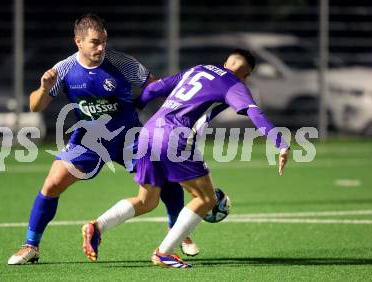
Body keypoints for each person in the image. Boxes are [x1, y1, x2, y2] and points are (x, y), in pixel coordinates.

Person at [7, 14, 199, 265]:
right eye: (95, 42)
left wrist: (170, 115)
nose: (101, 48)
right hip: (90, 139)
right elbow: (35, 106)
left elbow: (155, 86)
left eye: (103, 42)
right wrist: (44, 88)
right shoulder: (64, 69)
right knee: (52, 183)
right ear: (78, 41)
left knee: (165, 177)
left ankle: (178, 233)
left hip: (129, 136)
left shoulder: (121, 63)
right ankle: (31, 245)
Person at [81, 48, 290, 268]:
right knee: (207, 199)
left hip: (148, 132)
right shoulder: (234, 84)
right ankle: (164, 253)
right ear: (246, 75)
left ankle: (97, 226)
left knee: (146, 200)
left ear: (225, 61)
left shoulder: (198, 70)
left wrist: (138, 104)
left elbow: (156, 87)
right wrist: (280, 143)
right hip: (175, 136)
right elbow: (255, 113)